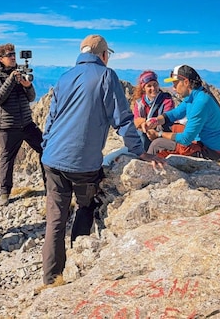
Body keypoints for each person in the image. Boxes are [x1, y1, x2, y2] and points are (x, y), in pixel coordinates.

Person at [40, 34, 164, 285]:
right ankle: (77, 262)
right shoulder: (107, 76)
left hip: (52, 159)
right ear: (104, 55)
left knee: (55, 218)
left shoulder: (63, 77)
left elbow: (50, 120)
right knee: (85, 206)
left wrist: (46, 147)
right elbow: (122, 119)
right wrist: (139, 150)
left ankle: (51, 277)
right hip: (83, 164)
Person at [0, 43, 45, 206]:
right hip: (8, 126)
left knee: (45, 149)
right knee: (7, 159)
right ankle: (5, 193)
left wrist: (27, 85)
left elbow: (31, 98)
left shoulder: (20, 73)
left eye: (14, 54)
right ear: (0, 59)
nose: (13, 57)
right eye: (9, 55)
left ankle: (50, 184)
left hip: (26, 123)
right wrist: (12, 79)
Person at [143, 64, 220, 160]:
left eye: (175, 83)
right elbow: (175, 113)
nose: (173, 88)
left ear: (186, 82)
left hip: (209, 151)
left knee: (157, 145)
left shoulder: (200, 103)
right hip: (202, 140)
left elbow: (185, 139)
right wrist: (156, 120)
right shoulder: (194, 95)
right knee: (164, 125)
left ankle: (147, 169)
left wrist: (159, 134)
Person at [131, 70, 175, 151]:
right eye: (149, 86)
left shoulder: (167, 100)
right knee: (139, 134)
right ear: (143, 88)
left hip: (163, 133)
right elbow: (136, 121)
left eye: (155, 85)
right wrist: (143, 124)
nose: (153, 88)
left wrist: (151, 125)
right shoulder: (139, 103)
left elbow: (167, 118)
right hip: (146, 133)